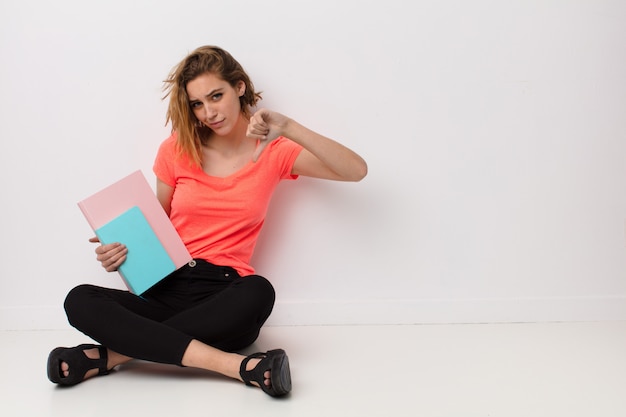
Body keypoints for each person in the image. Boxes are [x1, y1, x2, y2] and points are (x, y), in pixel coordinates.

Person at [46, 45, 367, 397]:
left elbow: (355, 171)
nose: (208, 112)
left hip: (225, 294)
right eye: (197, 104)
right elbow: (158, 222)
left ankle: (111, 357)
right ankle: (239, 367)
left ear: (240, 87)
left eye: (216, 96)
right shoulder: (176, 149)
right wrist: (120, 251)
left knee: (260, 292)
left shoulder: (274, 151)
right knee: (79, 299)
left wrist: (288, 127)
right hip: (165, 284)